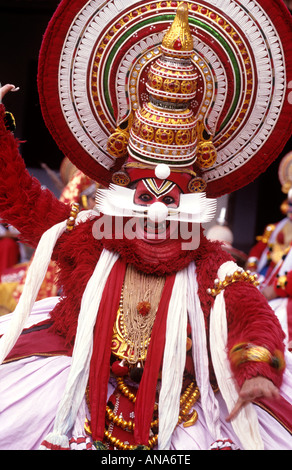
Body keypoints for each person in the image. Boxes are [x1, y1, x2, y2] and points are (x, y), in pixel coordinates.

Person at [0, 1, 291, 451]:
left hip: (183, 406)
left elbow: (253, 318)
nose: (156, 215)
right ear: (121, 191)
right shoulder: (88, 238)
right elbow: (24, 204)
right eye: (144, 199)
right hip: (73, 392)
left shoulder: (210, 264)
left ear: (191, 202)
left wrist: (254, 371)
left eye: (170, 202)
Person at [247, 151, 292, 350]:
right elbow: (258, 249)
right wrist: (252, 268)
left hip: (284, 293)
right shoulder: (275, 228)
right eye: (290, 204)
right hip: (266, 278)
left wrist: (274, 290)